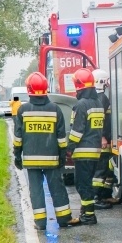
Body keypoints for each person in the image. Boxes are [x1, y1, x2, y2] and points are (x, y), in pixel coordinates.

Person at [13, 72, 76, 230]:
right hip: (52, 158)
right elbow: (61, 138)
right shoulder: (55, 109)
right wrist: (63, 157)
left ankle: (40, 223)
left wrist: (17, 156)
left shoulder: (23, 110)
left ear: (29, 90)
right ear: (46, 89)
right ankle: (64, 219)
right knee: (57, 188)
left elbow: (18, 137)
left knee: (36, 191)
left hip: (31, 160)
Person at [66, 68, 104, 225]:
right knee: (87, 182)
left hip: (83, 152)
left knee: (82, 184)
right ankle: (86, 212)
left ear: (78, 85)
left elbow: (77, 131)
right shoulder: (98, 103)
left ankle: (89, 215)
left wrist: (69, 148)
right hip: (95, 152)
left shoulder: (81, 105)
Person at [91, 69, 115, 209]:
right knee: (100, 170)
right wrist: (103, 137)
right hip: (103, 141)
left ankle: (105, 195)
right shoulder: (102, 99)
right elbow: (100, 121)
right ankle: (96, 198)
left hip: (105, 140)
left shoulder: (98, 98)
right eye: (106, 82)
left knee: (107, 169)